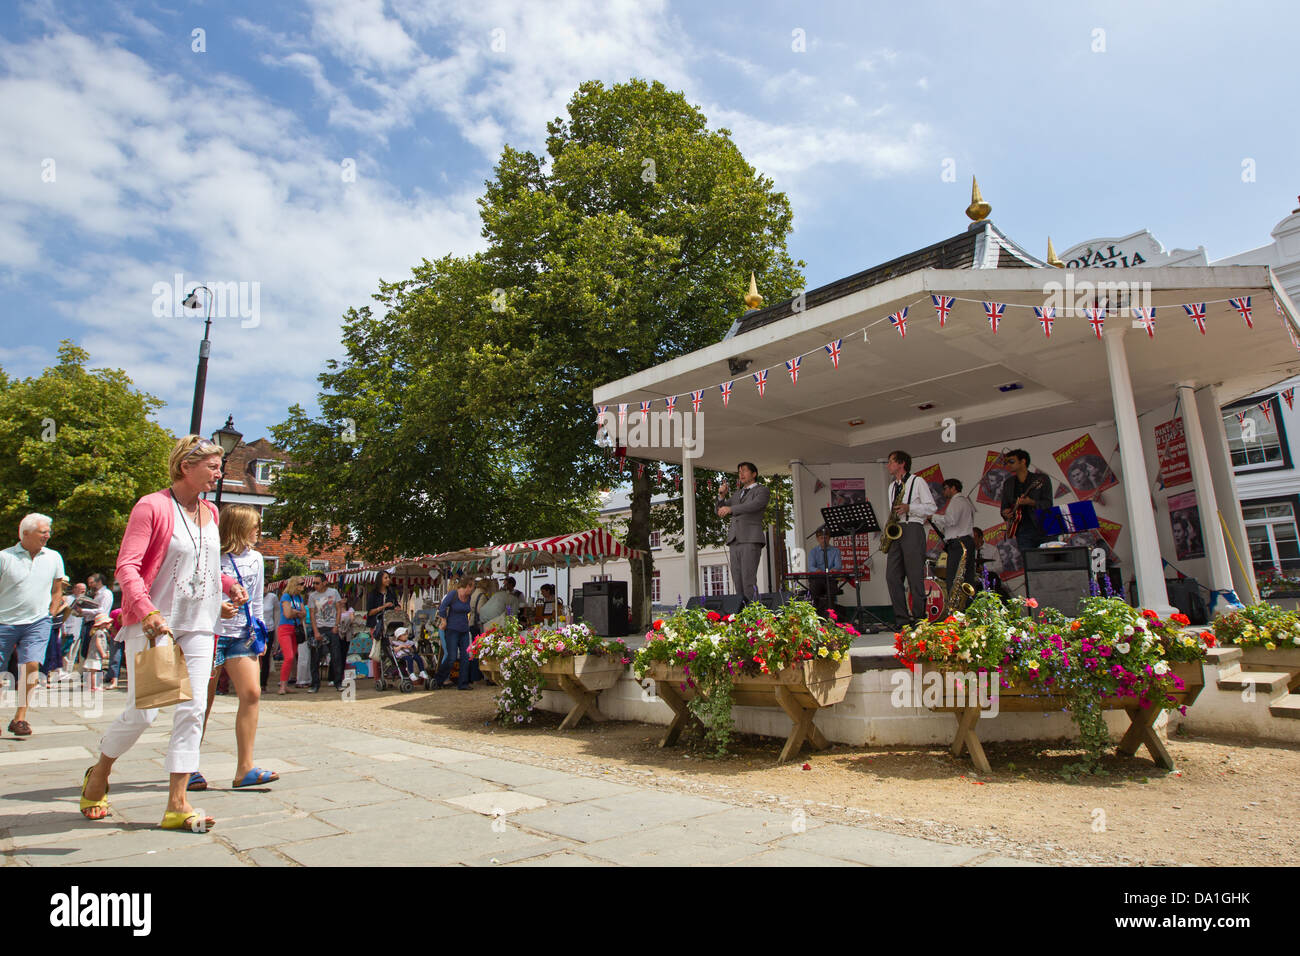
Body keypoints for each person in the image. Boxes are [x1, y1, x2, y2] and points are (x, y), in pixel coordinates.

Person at [79, 435, 248, 830]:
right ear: (185, 466)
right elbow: (128, 567)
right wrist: (147, 610)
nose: (218, 472)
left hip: (201, 625)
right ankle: (100, 771)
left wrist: (226, 585)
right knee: (145, 712)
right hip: (156, 624)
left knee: (192, 710)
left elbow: (202, 562)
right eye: (211, 465)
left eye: (219, 465)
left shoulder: (212, 511)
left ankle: (177, 802)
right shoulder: (151, 506)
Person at [196, 504, 278, 790]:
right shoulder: (211, 557)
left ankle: (245, 768)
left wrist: (261, 634)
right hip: (213, 634)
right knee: (202, 702)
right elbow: (196, 593)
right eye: (254, 526)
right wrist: (217, 609)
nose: (259, 532)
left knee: (252, 693)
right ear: (239, 527)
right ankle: (189, 766)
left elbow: (256, 599)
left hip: (243, 634)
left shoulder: (256, 559)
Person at [0, 513, 66, 738]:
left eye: (48, 531)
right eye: (43, 531)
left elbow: (57, 588)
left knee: (32, 668)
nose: (48, 535)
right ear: (25, 533)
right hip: (3, 622)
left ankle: (20, 718)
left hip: (37, 622)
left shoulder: (54, 557)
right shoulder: (4, 558)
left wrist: (51, 612)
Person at [883, 450, 937, 629]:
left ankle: (919, 619)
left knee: (915, 577)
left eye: (891, 462)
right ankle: (902, 620)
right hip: (896, 530)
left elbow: (931, 508)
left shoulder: (917, 481)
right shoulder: (892, 487)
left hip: (913, 528)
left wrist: (909, 508)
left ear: (901, 464)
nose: (888, 465)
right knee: (892, 576)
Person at [715, 461, 771, 603]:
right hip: (735, 540)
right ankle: (742, 617)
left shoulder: (761, 490)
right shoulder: (737, 494)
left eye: (744, 471)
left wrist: (732, 509)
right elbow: (719, 511)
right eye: (739, 472)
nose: (741, 474)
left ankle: (755, 615)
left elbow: (754, 505)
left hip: (750, 538)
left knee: (748, 580)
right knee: (738, 581)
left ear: (754, 474)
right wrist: (721, 497)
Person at [999, 449, 1053, 555]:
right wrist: (1005, 513)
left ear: (1023, 461)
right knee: (1030, 564)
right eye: (1007, 462)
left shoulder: (1041, 479)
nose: (1008, 465)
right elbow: (1004, 506)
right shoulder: (1008, 483)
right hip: (1022, 530)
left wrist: (1031, 502)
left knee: (1049, 562)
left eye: (1011, 461)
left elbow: (1048, 504)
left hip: (1043, 527)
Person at [935, 479, 976, 596]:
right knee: (967, 578)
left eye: (945, 488)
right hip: (966, 541)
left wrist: (933, 517)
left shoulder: (956, 501)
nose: (944, 492)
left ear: (953, 488)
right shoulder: (965, 501)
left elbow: (951, 520)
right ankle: (968, 607)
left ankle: (956, 610)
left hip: (959, 543)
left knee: (953, 578)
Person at [432, 577, 474, 690]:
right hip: (452, 629)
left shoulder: (468, 598)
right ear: (467, 586)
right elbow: (442, 607)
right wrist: (444, 621)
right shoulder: (453, 595)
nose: (472, 589)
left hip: (464, 630)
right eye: (472, 587)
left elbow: (468, 611)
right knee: (452, 657)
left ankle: (463, 683)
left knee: (465, 657)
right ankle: (438, 679)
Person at [308, 571, 343, 692]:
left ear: (324, 583)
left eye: (317, 583)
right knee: (315, 658)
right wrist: (315, 631)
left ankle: (338, 682)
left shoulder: (334, 593)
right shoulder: (312, 596)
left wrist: (336, 625)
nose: (315, 585)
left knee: (336, 656)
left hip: (331, 627)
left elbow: (339, 609)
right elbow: (312, 614)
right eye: (314, 583)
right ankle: (315, 684)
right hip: (319, 627)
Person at [276, 577, 305, 695]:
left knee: (292, 657)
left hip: (295, 629)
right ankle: (282, 685)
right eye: (301, 584)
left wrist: (295, 612)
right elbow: (287, 614)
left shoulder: (299, 597)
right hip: (285, 629)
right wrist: (298, 612)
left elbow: (304, 613)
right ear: (294, 584)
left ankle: (285, 684)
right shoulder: (286, 596)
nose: (303, 586)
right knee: (288, 657)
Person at [806, 526, 842, 615]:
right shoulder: (813, 552)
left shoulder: (835, 551)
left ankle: (831, 616)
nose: (823, 540)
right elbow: (811, 567)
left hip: (830, 579)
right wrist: (818, 570)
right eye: (821, 538)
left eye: (825, 538)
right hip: (817, 579)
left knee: (831, 593)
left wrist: (833, 570)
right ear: (818, 539)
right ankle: (816, 615)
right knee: (815, 592)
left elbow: (838, 566)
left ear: (829, 538)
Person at [83, 613, 111, 693]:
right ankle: (94, 686)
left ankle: (90, 686)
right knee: (94, 672)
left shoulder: (99, 632)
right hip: (95, 655)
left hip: (94, 655)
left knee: (93, 671)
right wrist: (103, 653)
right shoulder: (100, 633)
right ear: (102, 624)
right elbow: (98, 643)